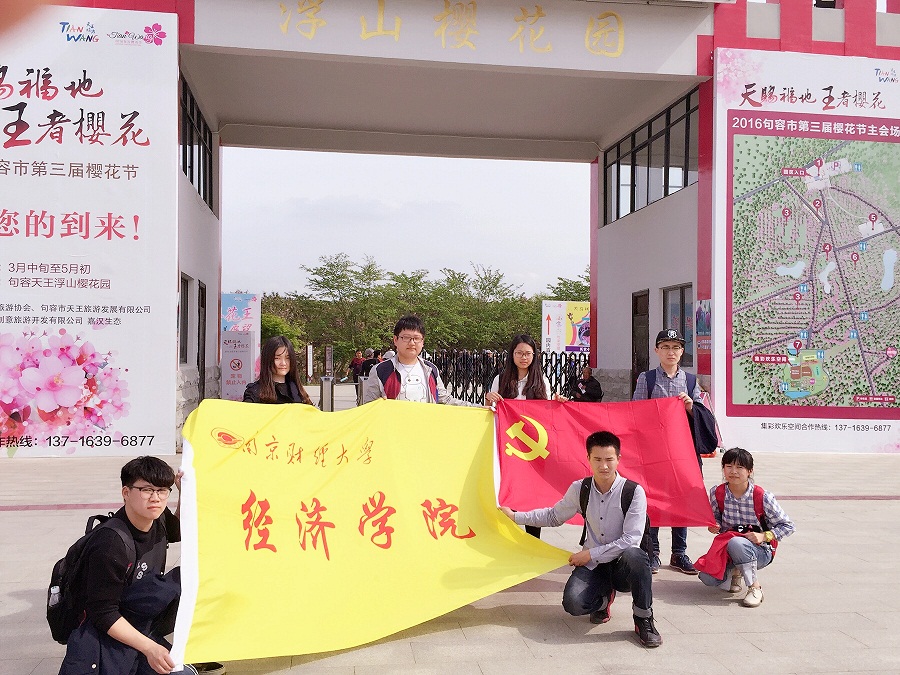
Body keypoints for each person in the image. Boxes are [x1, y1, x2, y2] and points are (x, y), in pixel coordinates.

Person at [500, 431, 662, 648]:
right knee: (573, 604)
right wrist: (515, 517)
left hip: (623, 566)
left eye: (609, 459)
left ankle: (644, 619)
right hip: (594, 565)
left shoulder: (633, 492)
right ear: (588, 459)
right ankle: (603, 600)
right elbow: (553, 516)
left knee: (635, 554)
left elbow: (631, 539)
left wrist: (590, 554)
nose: (603, 466)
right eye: (597, 459)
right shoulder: (580, 489)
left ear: (618, 459)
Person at [60, 457, 192, 674]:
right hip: (105, 634)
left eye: (162, 490)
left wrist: (184, 492)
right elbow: (103, 613)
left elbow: (177, 531)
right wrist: (150, 648)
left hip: (136, 619)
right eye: (146, 490)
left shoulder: (157, 518)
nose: (156, 498)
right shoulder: (111, 543)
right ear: (126, 492)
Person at [632, 328, 703, 575]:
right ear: (657, 351)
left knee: (682, 500)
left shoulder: (691, 381)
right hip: (655, 452)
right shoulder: (647, 379)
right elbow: (636, 413)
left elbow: (703, 415)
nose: (670, 352)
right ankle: (652, 552)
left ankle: (679, 552)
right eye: (665, 347)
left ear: (682, 351)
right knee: (653, 500)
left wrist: (691, 407)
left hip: (683, 452)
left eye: (675, 347)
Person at [484, 334, 566, 539]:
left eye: (528, 354)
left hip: (533, 450)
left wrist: (558, 403)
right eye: (519, 353)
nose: (524, 357)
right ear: (512, 355)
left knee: (531, 497)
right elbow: (491, 412)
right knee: (507, 492)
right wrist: (488, 399)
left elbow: (546, 415)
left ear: (534, 356)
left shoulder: (541, 381)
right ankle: (507, 540)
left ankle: (532, 540)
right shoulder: (501, 380)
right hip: (507, 447)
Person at [696, 447, 795, 607]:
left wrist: (765, 536)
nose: (733, 471)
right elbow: (717, 518)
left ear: (750, 471)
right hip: (728, 549)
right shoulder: (717, 493)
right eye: (729, 466)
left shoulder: (762, 496)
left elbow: (788, 526)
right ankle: (736, 572)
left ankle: (755, 588)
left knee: (737, 543)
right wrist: (715, 525)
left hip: (761, 551)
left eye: (740, 467)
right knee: (707, 578)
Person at [361, 315, 476, 406]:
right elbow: (368, 407)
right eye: (406, 338)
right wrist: (379, 405)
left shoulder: (430, 369)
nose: (412, 343)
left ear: (422, 341)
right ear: (395, 340)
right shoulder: (380, 370)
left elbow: (445, 400)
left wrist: (477, 408)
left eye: (416, 338)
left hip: (425, 428)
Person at [243, 336, 313, 405]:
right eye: (277, 358)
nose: (283, 363)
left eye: (287, 358)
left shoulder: (298, 392)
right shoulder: (255, 393)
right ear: (267, 360)